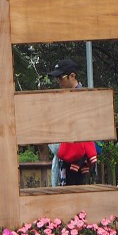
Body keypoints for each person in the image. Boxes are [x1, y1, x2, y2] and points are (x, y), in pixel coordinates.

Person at [47, 58, 98, 186]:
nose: (58, 81)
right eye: (56, 78)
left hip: (79, 156)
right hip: (67, 154)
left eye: (61, 77)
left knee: (75, 192)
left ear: (72, 76)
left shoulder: (82, 97)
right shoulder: (66, 96)